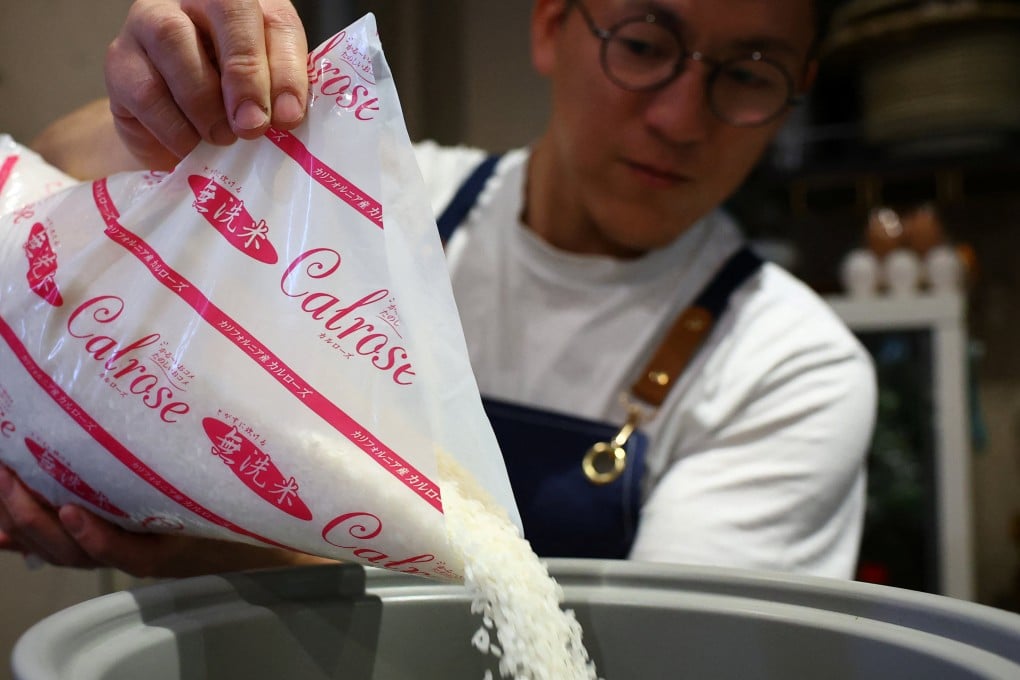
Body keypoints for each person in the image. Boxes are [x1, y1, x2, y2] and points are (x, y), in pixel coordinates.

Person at [0, 0, 875, 579]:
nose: (682, 119)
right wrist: (166, 96)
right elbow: (70, 150)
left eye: (750, 74)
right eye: (644, 46)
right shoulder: (372, 211)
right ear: (548, 25)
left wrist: (218, 555)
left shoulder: (788, 367)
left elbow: (657, 656)